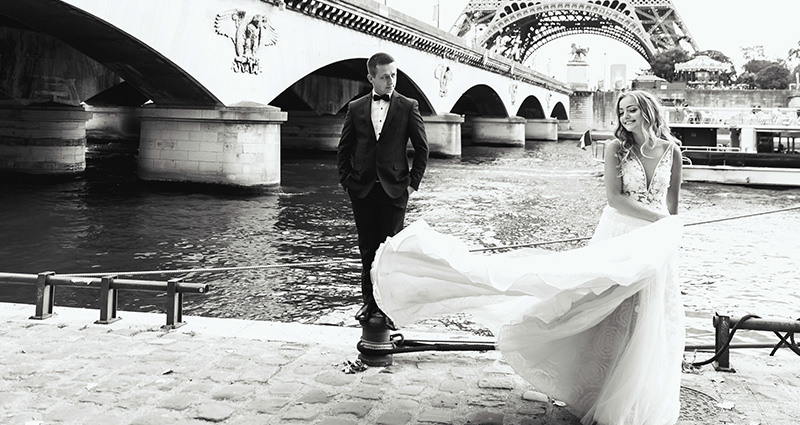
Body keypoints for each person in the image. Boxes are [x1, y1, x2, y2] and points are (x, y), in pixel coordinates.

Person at [370, 90, 685, 424]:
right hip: (621, 235)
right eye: (621, 111)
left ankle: (636, 396)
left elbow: (673, 205)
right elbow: (616, 200)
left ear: (648, 110)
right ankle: (602, 390)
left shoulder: (673, 151)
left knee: (649, 320)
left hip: (656, 244)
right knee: (605, 312)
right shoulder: (615, 148)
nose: (625, 117)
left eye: (632, 110)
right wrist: (664, 222)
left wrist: (671, 235)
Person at [337, 52, 429, 327]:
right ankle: (368, 303)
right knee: (367, 249)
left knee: (390, 253)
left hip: (395, 189)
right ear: (371, 78)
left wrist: (412, 185)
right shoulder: (355, 107)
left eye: (394, 75)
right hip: (362, 189)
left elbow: (422, 148)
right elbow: (345, 147)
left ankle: (387, 308)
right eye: (385, 76)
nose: (391, 81)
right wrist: (347, 181)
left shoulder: (408, 105)